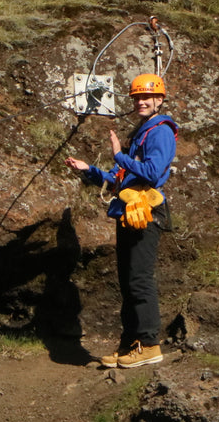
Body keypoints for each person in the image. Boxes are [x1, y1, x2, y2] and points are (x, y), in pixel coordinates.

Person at [66, 72, 178, 368]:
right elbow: (121, 180)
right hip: (130, 210)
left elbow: (152, 173)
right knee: (128, 281)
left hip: (146, 212)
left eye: (146, 97)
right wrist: (89, 170)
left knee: (140, 278)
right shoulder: (142, 132)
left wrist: (119, 155)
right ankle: (131, 343)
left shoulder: (160, 131)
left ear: (159, 99)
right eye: (137, 97)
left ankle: (150, 344)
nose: (141, 101)